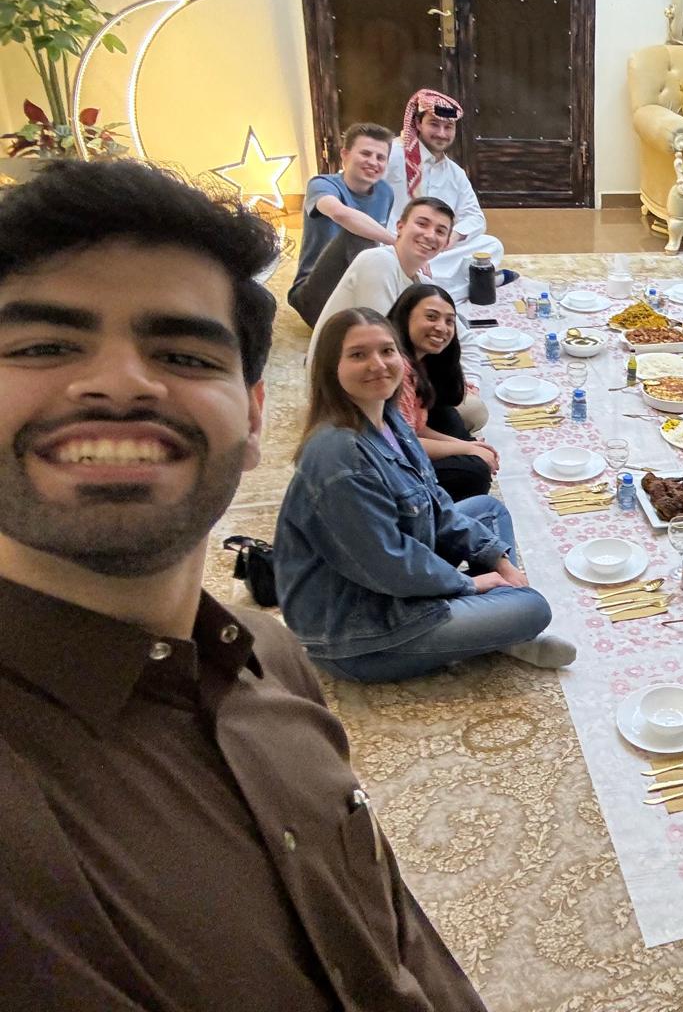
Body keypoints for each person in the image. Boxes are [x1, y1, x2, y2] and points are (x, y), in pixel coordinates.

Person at [0, 159, 486, 1007]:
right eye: (45, 346)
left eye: (183, 352)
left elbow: (392, 934)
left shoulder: (269, 656)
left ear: (256, 414)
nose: (121, 382)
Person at [276, 307, 575, 683]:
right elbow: (385, 563)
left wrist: (497, 560)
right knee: (532, 607)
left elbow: (436, 502)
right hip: (358, 632)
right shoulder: (339, 455)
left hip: (394, 581)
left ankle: (489, 625)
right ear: (330, 368)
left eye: (386, 351)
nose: (378, 364)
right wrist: (470, 584)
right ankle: (495, 626)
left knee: (488, 511)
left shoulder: (388, 419)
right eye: (358, 355)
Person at [383, 88, 508, 303]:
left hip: (437, 249)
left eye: (448, 127)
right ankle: (451, 290)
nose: (442, 133)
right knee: (383, 258)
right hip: (393, 245)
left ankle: (422, 287)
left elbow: (476, 218)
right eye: (434, 124)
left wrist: (451, 237)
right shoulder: (392, 155)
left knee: (491, 246)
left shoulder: (454, 173)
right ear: (418, 123)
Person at [307, 194, 455, 360]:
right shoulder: (378, 261)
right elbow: (384, 342)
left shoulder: (424, 284)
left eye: (440, 231)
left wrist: (473, 382)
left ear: (446, 243)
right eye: (422, 224)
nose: (430, 235)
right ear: (400, 227)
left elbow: (464, 337)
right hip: (346, 375)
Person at [388, 284, 498, 502]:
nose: (442, 327)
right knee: (474, 473)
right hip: (390, 462)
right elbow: (403, 443)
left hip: (405, 440)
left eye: (449, 321)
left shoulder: (422, 360)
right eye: (431, 317)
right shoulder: (396, 366)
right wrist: (467, 449)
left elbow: (416, 428)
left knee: (448, 415)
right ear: (405, 316)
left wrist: (468, 446)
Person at [287, 122, 396, 326]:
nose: (373, 162)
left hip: (356, 291)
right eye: (365, 153)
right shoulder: (322, 184)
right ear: (345, 155)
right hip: (316, 294)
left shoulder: (385, 192)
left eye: (381, 157)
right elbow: (340, 214)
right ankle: (380, 322)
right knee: (358, 235)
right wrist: (395, 241)